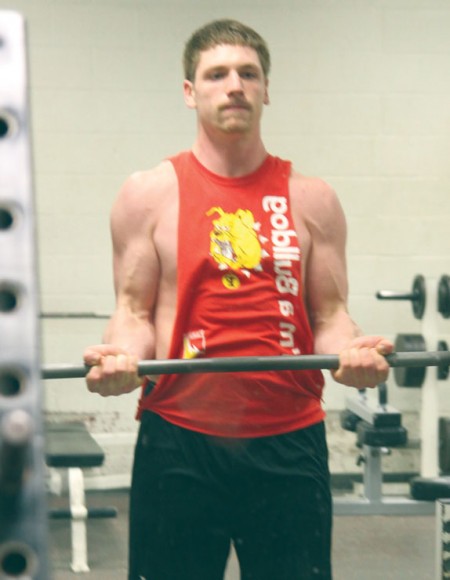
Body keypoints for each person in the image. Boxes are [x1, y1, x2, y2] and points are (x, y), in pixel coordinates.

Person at [83, 19, 393, 580]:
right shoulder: (148, 194)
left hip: (288, 440)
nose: (234, 86)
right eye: (217, 74)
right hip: (179, 440)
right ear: (189, 91)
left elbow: (329, 316)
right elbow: (132, 312)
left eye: (248, 74)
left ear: (266, 89)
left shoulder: (312, 198)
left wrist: (352, 354)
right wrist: (120, 359)